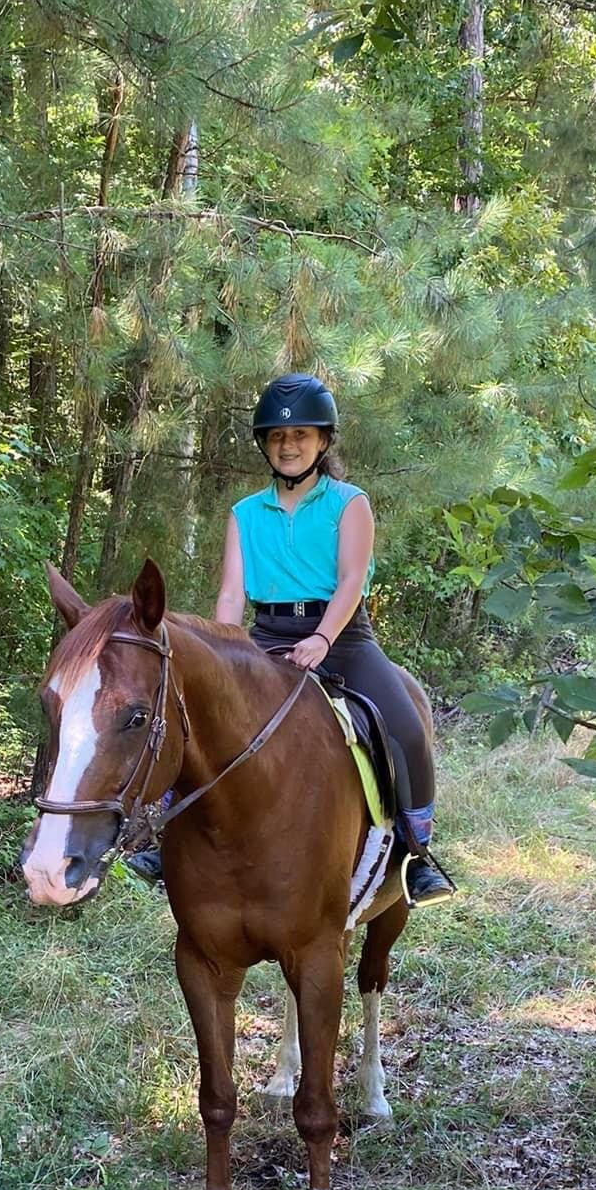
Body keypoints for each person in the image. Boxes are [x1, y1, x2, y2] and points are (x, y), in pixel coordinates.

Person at [127, 372, 455, 906]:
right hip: (265, 633)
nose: (288, 445)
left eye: (301, 435)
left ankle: (417, 853)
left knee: (404, 726)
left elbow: (351, 580)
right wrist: (227, 650)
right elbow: (232, 594)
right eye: (278, 437)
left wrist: (324, 640)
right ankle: (165, 837)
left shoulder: (350, 503)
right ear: (265, 445)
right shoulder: (245, 514)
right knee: (194, 715)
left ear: (323, 441)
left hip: (344, 636)